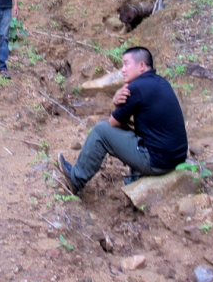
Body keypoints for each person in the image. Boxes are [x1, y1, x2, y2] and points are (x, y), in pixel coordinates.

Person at [58, 47, 188, 194]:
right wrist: (116, 99)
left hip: (158, 162)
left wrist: (117, 101)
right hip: (176, 158)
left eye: (127, 64)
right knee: (133, 132)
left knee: (101, 131)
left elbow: (113, 123)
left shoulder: (136, 87)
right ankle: (135, 179)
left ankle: (76, 179)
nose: (123, 70)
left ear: (141, 66)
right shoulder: (160, 82)